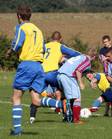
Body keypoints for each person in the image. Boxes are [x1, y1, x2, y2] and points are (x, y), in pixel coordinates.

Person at [9, 5, 64, 136]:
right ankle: (63, 105)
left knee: (16, 97)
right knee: (36, 100)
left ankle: (16, 131)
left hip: (27, 65)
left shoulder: (21, 27)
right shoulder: (38, 30)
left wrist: (10, 52)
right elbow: (43, 49)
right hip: (39, 67)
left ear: (18, 16)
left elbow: (17, 44)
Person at [29, 31, 81, 124]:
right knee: (65, 92)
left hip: (41, 73)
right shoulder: (60, 46)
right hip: (53, 73)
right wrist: (66, 59)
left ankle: (32, 118)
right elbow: (77, 54)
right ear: (60, 39)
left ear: (51, 38)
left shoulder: (45, 46)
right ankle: (67, 115)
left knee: (35, 95)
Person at [57, 48, 96, 123]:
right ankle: (76, 120)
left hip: (59, 74)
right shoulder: (87, 61)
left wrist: (91, 80)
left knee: (68, 98)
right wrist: (81, 83)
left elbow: (85, 72)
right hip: (68, 76)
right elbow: (78, 71)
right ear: (94, 57)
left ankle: (68, 117)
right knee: (77, 98)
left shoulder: (79, 57)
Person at [99, 35, 112, 116]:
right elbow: (101, 60)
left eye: (106, 42)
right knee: (106, 92)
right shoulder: (102, 50)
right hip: (106, 73)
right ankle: (106, 111)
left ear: (110, 41)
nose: (105, 43)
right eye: (104, 42)